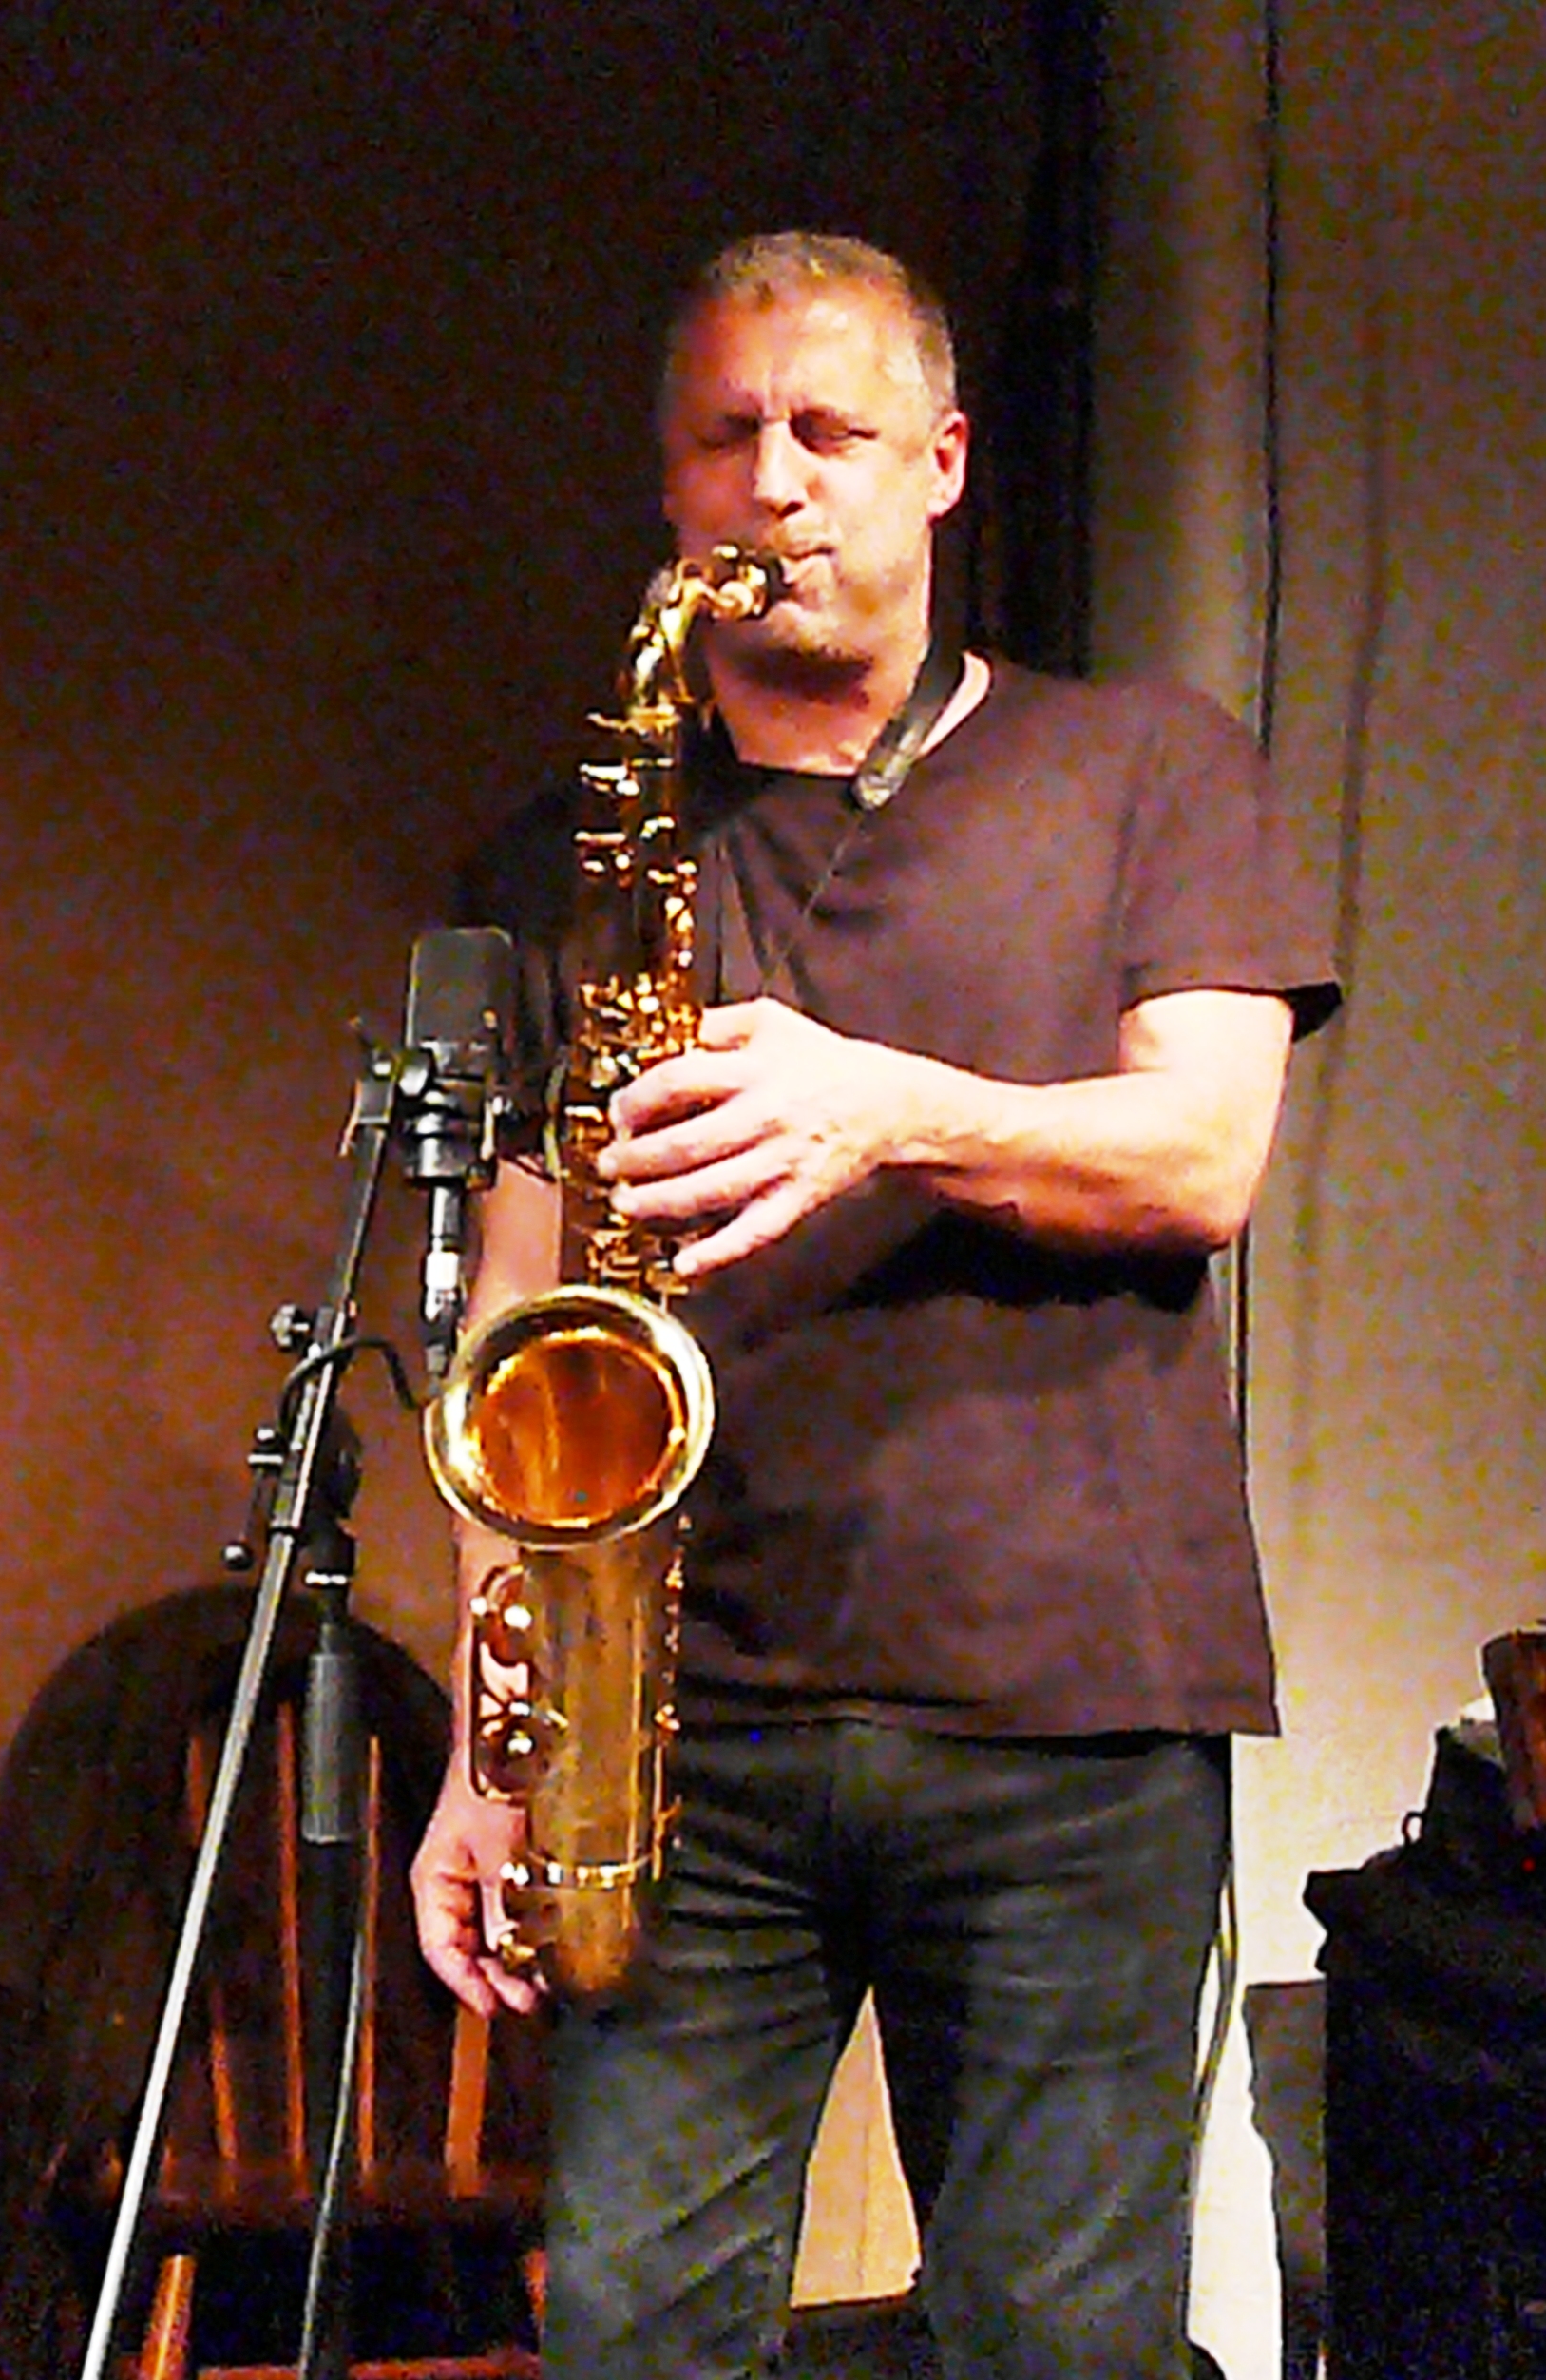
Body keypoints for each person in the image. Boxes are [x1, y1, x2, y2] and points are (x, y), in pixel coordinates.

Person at [408, 233, 1336, 2379]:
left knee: (1056, 2346)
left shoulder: (1147, 768)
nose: (779, 482)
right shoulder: (569, 855)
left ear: (940, 462)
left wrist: (880, 1111)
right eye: (731, 435)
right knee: (632, 2337)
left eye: (831, 432)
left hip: (1070, 1716)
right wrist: (494, 1723)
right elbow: (522, 1328)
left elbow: (1199, 1153)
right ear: (672, 482)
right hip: (687, 1724)